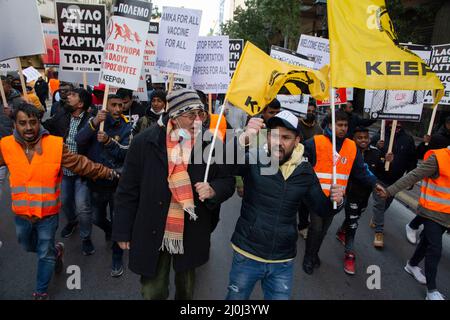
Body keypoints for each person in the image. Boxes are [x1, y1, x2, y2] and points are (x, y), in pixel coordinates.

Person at [112, 89, 235, 300]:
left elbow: (228, 181)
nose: (198, 120)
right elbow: (127, 190)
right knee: (152, 291)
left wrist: (214, 189)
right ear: (174, 116)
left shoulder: (211, 144)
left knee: (186, 289)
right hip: (152, 226)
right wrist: (122, 230)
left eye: (201, 114)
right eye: (191, 115)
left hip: (192, 229)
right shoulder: (145, 142)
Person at [0, 103, 116, 300]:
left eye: (33, 122)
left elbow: (80, 164)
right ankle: (58, 250)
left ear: (39, 122)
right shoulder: (5, 145)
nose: (28, 127)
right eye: (22, 123)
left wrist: (108, 172)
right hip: (21, 215)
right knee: (28, 246)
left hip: (48, 214)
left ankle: (41, 291)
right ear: (15, 125)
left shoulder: (54, 145)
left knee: (44, 254)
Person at [225, 111, 344, 300]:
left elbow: (322, 209)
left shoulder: (304, 171)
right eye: (274, 135)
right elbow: (225, 165)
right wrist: (243, 139)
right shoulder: (255, 158)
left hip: (282, 261)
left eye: (286, 137)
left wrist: (338, 200)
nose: (278, 142)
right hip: (247, 254)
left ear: (297, 141)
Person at [302, 110, 377, 275]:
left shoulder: (351, 146)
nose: (343, 128)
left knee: (323, 230)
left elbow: (361, 170)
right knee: (315, 228)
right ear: (330, 125)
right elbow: (302, 164)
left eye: (345, 125)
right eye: (339, 125)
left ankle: (314, 254)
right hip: (316, 196)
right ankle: (309, 258)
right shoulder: (315, 142)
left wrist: (374, 183)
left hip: (337, 198)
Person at [375, 146, 450, 300]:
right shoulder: (439, 158)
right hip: (431, 212)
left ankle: (412, 264)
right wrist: (389, 191)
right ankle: (432, 291)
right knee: (435, 249)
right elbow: (413, 175)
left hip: (446, 215)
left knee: (426, 243)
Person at [76, 94, 132, 277]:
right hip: (96, 183)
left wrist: (108, 141)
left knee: (119, 223)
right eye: (113, 105)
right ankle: (108, 230)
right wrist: (93, 123)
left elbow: (125, 154)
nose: (117, 109)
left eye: (121, 105)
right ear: (106, 105)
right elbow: (79, 139)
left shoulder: (126, 127)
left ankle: (117, 257)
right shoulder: (95, 121)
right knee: (97, 218)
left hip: (117, 184)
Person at [43, 88, 94, 254]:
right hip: (65, 170)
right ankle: (72, 222)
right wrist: (34, 116)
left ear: (80, 104)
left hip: (82, 172)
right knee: (65, 201)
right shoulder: (62, 114)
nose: (67, 96)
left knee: (83, 207)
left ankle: (86, 238)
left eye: (72, 95)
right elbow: (47, 126)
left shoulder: (91, 121)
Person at [335, 127, 391, 274]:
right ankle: (350, 255)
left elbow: (381, 172)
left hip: (364, 196)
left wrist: (388, 161)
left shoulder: (376, 153)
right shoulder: (346, 151)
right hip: (350, 193)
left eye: (365, 137)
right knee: (353, 224)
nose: (363, 140)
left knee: (355, 217)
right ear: (353, 139)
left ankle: (341, 230)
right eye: (359, 137)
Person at [370, 121, 417, 248]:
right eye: (393, 126)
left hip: (396, 181)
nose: (396, 128)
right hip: (379, 178)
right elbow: (369, 153)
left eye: (399, 126)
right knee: (379, 204)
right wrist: (379, 149)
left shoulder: (408, 140)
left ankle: (376, 219)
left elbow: (412, 160)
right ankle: (379, 232)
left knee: (386, 203)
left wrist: (411, 178)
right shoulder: (380, 137)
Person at [407, 116, 450, 243]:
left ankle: (426, 236)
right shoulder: (437, 138)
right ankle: (413, 226)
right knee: (432, 209)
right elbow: (421, 155)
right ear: (447, 124)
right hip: (436, 180)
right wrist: (425, 144)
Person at [297, 102, 323, 238]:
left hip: (312, 168)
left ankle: (303, 224)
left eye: (313, 111)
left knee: (306, 199)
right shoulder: (296, 126)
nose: (310, 113)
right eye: (308, 110)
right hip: (296, 165)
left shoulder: (318, 129)